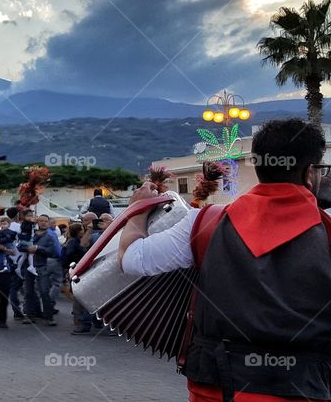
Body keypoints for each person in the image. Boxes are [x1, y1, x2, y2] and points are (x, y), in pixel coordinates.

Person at [119, 118, 331, 401]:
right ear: (309, 173)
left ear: (257, 165)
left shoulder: (205, 222)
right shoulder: (327, 232)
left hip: (216, 386)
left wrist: (137, 211)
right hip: (302, 388)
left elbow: (132, 259)